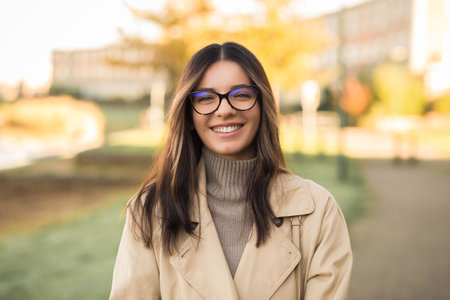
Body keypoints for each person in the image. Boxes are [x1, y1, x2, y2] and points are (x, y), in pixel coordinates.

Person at [109, 42, 352, 300]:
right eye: (205, 98)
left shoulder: (318, 211)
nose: (224, 110)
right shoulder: (149, 211)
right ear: (189, 115)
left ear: (262, 104)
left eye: (241, 94)